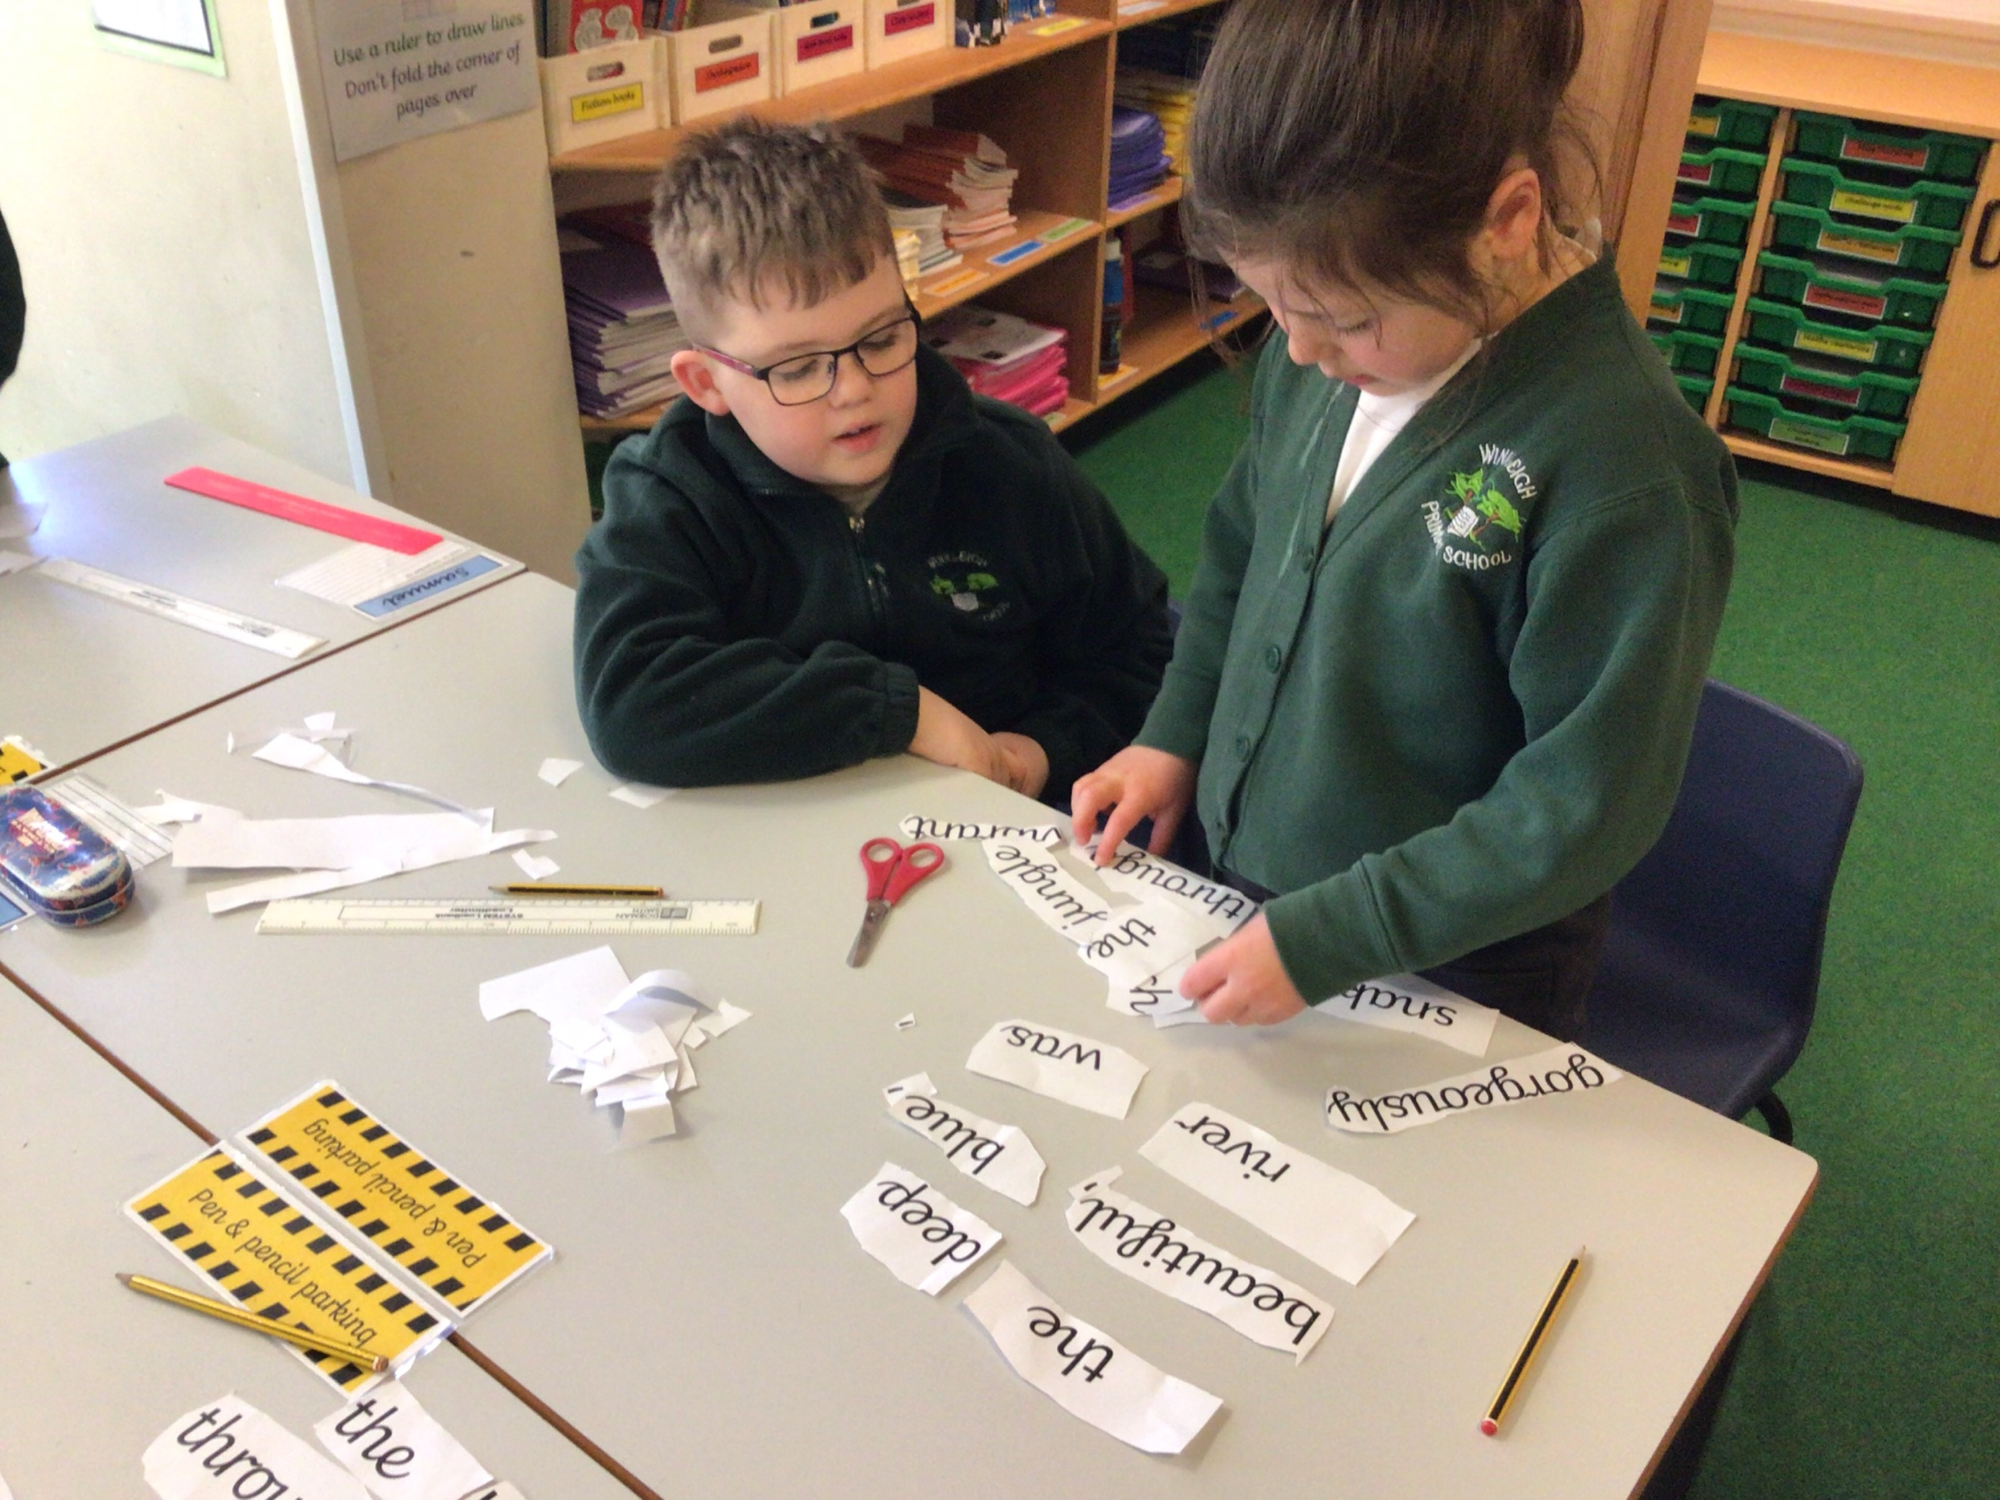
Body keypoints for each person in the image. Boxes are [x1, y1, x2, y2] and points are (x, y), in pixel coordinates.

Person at [1073, 0, 1736, 1039]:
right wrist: (1176, 731)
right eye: (1270, 307)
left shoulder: (1627, 472)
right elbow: (1241, 561)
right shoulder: (1330, 352)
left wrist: (1337, 932)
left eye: (1338, 318)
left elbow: (1580, 806)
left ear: (1506, 219)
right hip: (1258, 889)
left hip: (1452, 963)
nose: (1295, 352)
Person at [575, 119, 1171, 804]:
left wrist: (1044, 748)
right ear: (707, 385)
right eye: (798, 368)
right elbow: (631, 702)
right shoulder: (669, 494)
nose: (855, 390)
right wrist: (900, 712)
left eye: (883, 338)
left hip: (1006, 828)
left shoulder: (1009, 465)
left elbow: (1142, 651)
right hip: (800, 833)